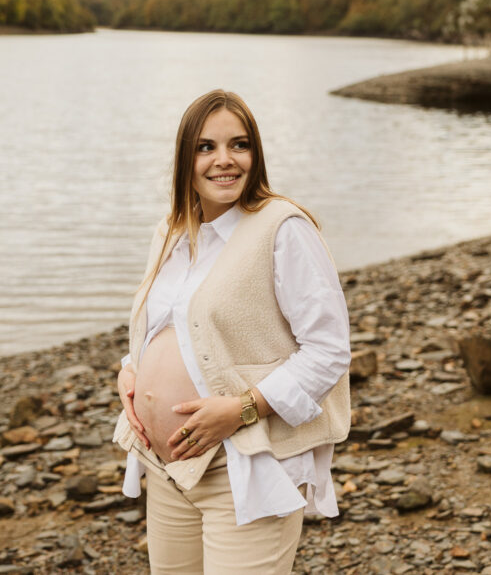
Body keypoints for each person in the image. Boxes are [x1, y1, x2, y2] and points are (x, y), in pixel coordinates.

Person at [112, 89, 351, 574]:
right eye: (206, 147)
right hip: (166, 466)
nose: (224, 160)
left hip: (245, 465)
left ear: (255, 154)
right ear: (185, 158)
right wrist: (131, 373)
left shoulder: (283, 229)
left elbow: (328, 350)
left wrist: (242, 408)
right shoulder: (173, 230)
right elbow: (164, 324)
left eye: (238, 145)